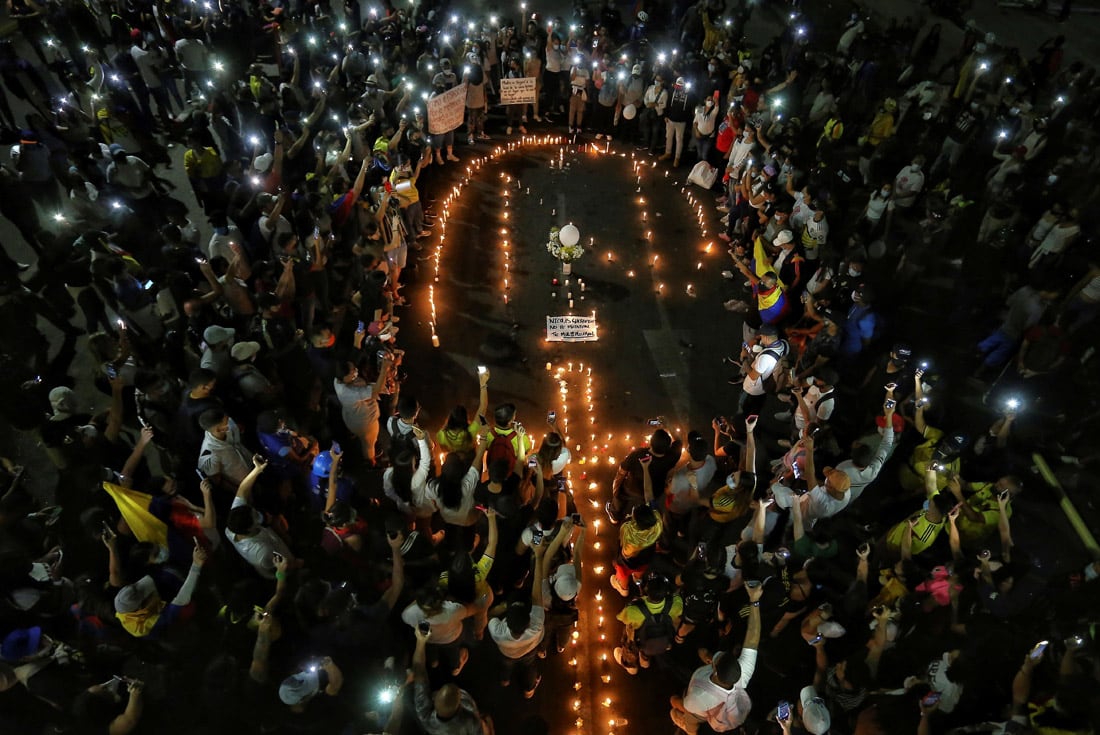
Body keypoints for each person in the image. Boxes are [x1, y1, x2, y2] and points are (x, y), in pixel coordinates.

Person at [669, 579, 762, 732]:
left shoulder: (696, 699)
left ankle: (688, 728)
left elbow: (688, 706)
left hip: (699, 712)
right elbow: (753, 637)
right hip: (715, 706)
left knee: (679, 707)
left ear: (715, 670)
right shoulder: (744, 673)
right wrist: (755, 600)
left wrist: (677, 702)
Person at [613, 573, 683, 675]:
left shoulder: (634, 609)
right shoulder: (675, 604)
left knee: (629, 630)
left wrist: (637, 601)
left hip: (640, 641)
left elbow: (621, 618)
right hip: (663, 640)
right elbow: (678, 601)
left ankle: (629, 662)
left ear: (646, 590)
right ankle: (644, 660)